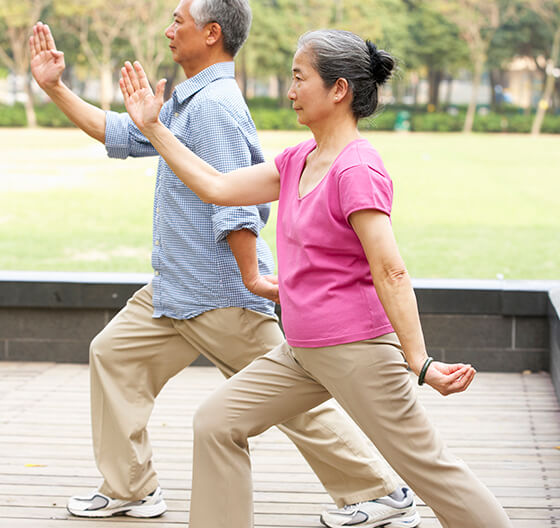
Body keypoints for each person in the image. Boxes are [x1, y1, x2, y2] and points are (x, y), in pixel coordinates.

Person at [29, 0, 419, 526]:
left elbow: (236, 200)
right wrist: (54, 87)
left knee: (294, 402)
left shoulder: (215, 105)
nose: (168, 31)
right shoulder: (188, 100)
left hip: (221, 294)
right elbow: (121, 131)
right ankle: (130, 488)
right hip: (173, 290)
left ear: (211, 33)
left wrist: (253, 281)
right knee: (112, 355)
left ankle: (382, 493)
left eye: (178, 21)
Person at [118, 29, 514, 528]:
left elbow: (390, 270)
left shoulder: (357, 169)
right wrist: (154, 128)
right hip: (300, 351)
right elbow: (217, 188)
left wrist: (420, 361)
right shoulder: (298, 160)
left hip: (359, 351)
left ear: (339, 90)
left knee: (432, 471)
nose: (290, 91)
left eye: (299, 78)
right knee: (217, 423)